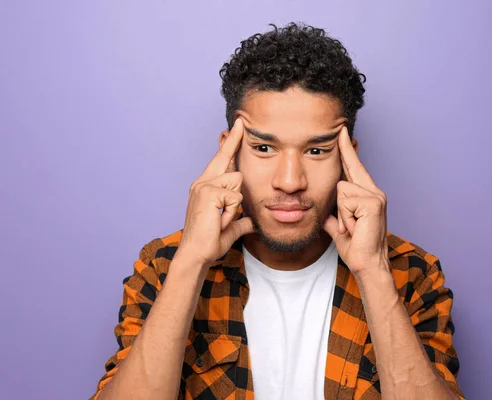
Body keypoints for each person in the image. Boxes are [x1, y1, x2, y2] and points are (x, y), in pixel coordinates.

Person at [90, 22, 464, 400]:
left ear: (349, 157)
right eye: (264, 149)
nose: (289, 181)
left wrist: (374, 272)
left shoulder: (410, 273)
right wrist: (191, 261)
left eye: (316, 150)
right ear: (230, 151)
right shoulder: (164, 265)